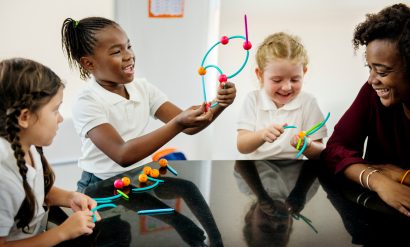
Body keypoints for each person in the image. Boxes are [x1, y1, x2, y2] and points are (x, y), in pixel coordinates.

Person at [60, 17, 237, 192]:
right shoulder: (87, 101)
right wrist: (177, 123)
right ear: (88, 63)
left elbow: (190, 127)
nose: (129, 55)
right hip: (99, 185)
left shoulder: (142, 88)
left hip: (137, 179)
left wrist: (220, 103)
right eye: (116, 52)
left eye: (128, 46)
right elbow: (122, 154)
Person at [321, 3, 410, 217]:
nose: (371, 80)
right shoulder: (372, 94)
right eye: (369, 68)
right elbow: (335, 149)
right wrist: (377, 180)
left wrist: (403, 176)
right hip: (376, 217)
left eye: (382, 71)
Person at [0, 58, 99, 246]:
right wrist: (62, 233)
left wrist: (70, 197)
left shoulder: (27, 147)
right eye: (55, 110)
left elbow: (34, 194)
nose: (60, 118)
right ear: (25, 117)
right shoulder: (3, 177)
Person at [236, 32, 327, 160]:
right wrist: (262, 135)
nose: (286, 87)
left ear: (304, 72)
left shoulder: (308, 102)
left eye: (295, 79)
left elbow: (320, 151)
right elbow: (242, 145)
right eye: (277, 80)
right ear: (260, 75)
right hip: (255, 173)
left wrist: (308, 145)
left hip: (293, 174)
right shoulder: (253, 99)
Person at [234, 160, 319, 246]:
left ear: (249, 217)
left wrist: (260, 193)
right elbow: (317, 159)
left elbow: (242, 160)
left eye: (265, 227)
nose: (275, 222)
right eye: (282, 228)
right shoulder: (306, 195)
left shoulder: (246, 187)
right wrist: (301, 190)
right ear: (291, 222)